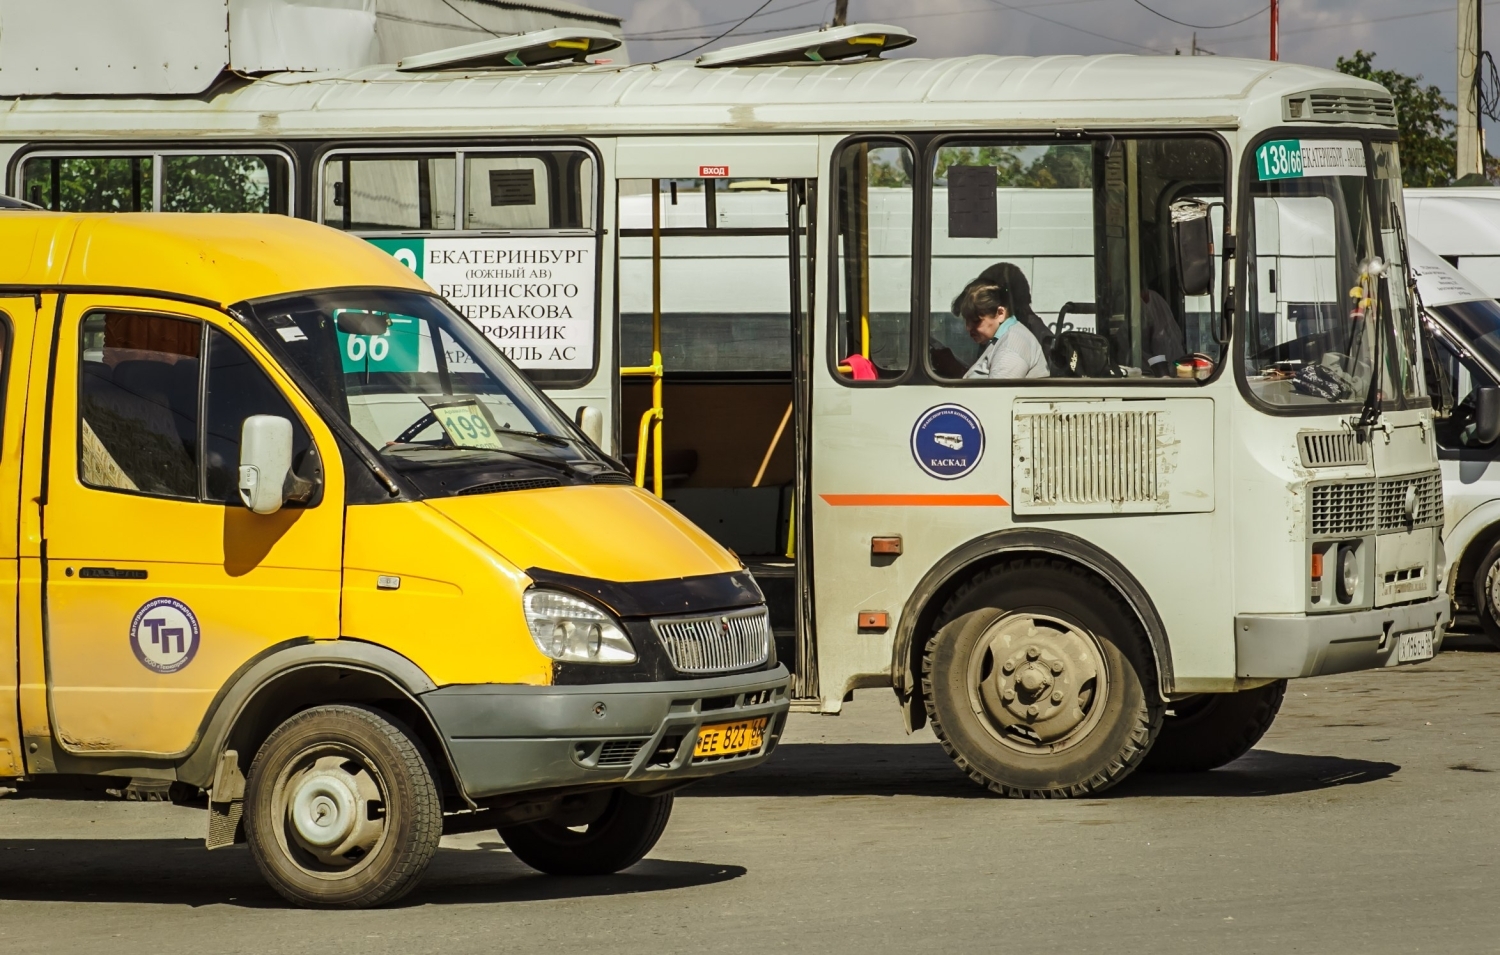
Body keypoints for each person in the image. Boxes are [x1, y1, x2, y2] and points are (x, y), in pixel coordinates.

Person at [951, 280, 1049, 379]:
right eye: (966, 320)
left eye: (976, 321)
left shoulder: (1010, 349)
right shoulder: (999, 338)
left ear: (1000, 313)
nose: (968, 328)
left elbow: (998, 393)